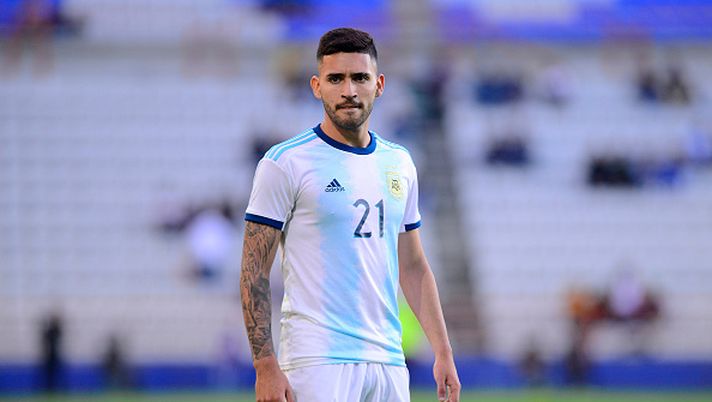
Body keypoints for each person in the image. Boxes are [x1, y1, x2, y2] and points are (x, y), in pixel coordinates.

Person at [240, 28, 460, 402]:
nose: (348, 90)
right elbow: (253, 270)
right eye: (335, 79)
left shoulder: (399, 163)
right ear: (316, 86)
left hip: (388, 360)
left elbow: (413, 266)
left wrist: (443, 351)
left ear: (379, 85)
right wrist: (265, 366)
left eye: (359, 77)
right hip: (317, 362)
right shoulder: (285, 163)